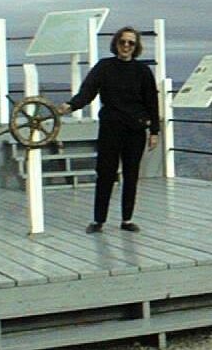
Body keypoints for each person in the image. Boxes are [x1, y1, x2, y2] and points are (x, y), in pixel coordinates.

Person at [58, 26, 159, 233]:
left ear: (136, 47)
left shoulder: (143, 71)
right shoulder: (104, 67)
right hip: (111, 128)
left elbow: (152, 102)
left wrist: (154, 132)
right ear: (116, 44)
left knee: (131, 175)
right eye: (123, 42)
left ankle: (127, 220)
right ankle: (98, 220)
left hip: (135, 130)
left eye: (131, 43)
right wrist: (71, 105)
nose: (126, 46)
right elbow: (88, 91)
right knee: (105, 174)